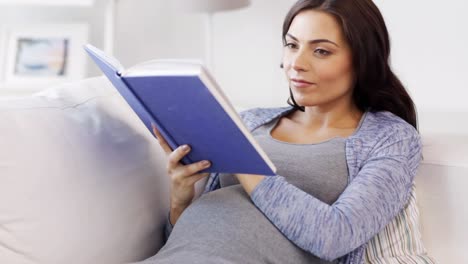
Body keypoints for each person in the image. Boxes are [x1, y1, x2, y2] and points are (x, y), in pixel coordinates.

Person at [134, 0, 433, 263]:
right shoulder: (250, 121)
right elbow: (183, 240)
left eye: (320, 51)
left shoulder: (390, 138)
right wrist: (181, 199)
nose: (296, 64)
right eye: (292, 45)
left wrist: (245, 161)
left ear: (362, 60)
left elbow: (335, 237)